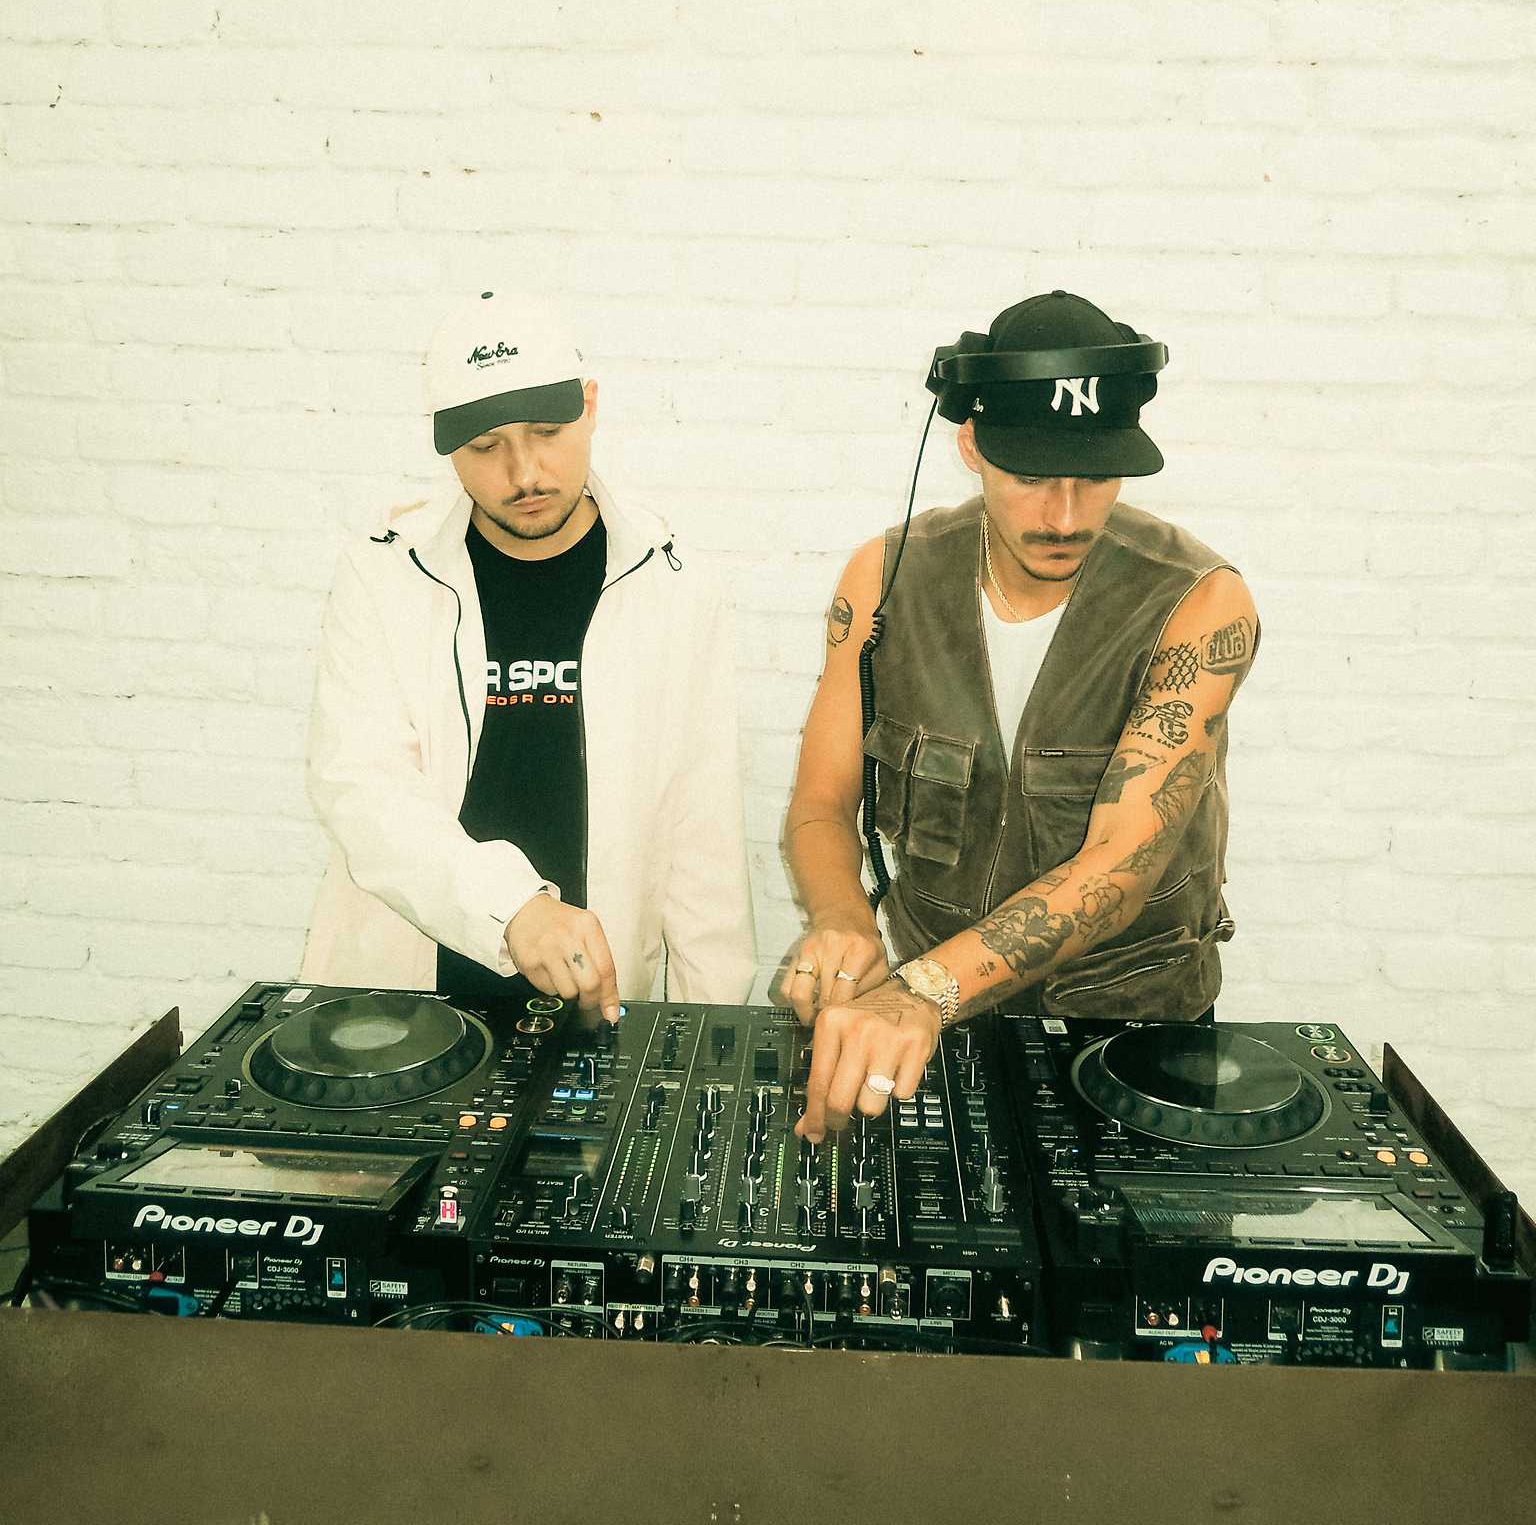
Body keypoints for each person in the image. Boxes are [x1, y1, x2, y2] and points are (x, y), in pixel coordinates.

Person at [783, 289, 1259, 1141]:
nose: (1064, 516)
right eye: (1032, 477)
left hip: (1135, 1034)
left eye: (1094, 477)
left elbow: (1118, 865)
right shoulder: (883, 579)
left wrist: (921, 990)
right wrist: (844, 923)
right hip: (934, 1023)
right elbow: (822, 803)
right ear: (971, 445)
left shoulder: (1199, 603)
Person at [302, 289, 756, 1017]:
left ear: (590, 405)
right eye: (486, 447)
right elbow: (362, 787)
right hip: (407, 1001)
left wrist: (711, 1025)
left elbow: (702, 840)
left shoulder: (674, 587)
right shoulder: (384, 575)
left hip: (598, 1002)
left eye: (547, 431)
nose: (524, 474)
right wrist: (513, 907)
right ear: (448, 445)